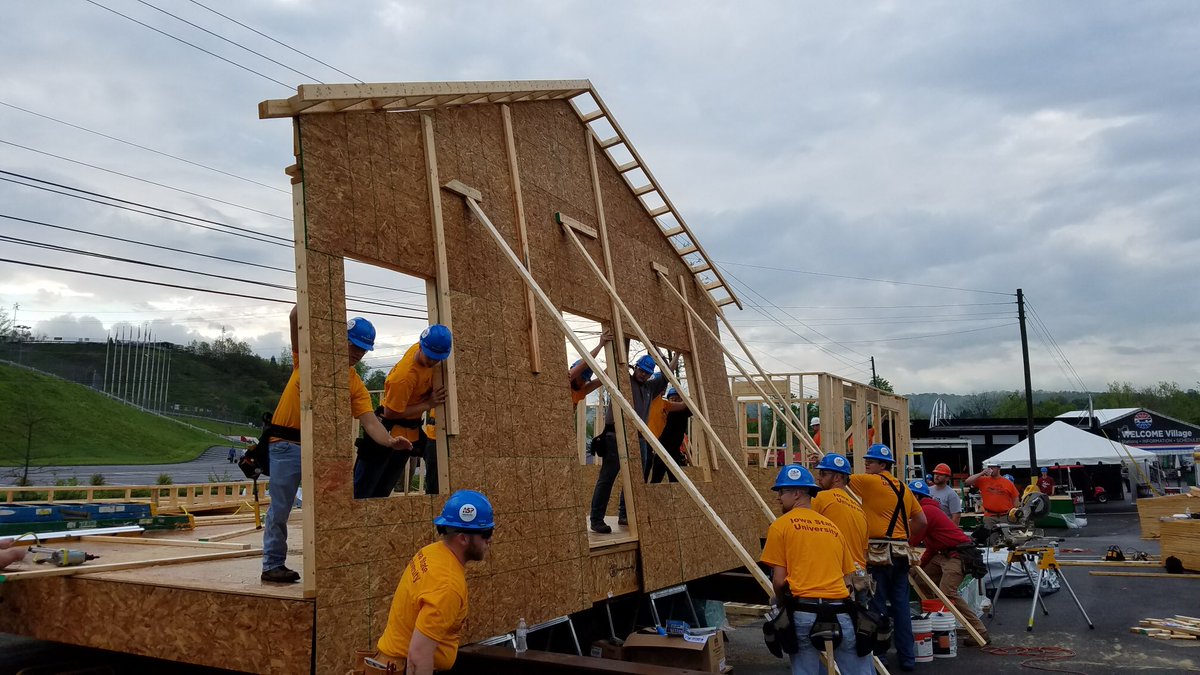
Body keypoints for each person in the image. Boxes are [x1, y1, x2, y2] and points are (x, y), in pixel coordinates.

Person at [262, 308, 411, 583]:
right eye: (354, 346)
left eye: (363, 350)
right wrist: (311, 297)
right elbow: (297, 318)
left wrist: (390, 441)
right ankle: (272, 565)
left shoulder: (354, 384)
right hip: (286, 443)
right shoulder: (309, 358)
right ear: (340, 339)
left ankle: (327, 566)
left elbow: (370, 421)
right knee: (281, 508)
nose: (358, 354)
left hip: (320, 449)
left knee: (329, 509)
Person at [761, 464, 871, 675]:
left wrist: (781, 604)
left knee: (806, 671)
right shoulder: (833, 528)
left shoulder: (780, 526)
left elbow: (778, 581)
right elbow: (848, 578)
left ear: (796, 494)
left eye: (781, 492)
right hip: (841, 613)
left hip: (803, 611)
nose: (778, 498)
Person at [370, 490, 494, 674]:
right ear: (463, 538)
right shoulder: (448, 586)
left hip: (391, 662)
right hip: (405, 668)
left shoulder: (431, 552)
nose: (490, 539)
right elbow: (418, 656)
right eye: (486, 533)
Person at [848, 444, 927, 672]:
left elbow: (838, 479)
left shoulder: (869, 481)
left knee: (877, 605)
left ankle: (880, 656)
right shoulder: (904, 487)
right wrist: (905, 539)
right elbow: (922, 521)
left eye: (870, 462)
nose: (866, 465)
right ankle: (907, 658)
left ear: (883, 465)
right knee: (902, 606)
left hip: (878, 552)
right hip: (901, 552)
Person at [356, 325, 452, 499]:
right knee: (364, 491)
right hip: (386, 433)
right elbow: (390, 413)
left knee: (383, 492)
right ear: (421, 346)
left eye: (437, 359)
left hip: (408, 437)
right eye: (430, 357)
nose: (432, 362)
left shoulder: (430, 348)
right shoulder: (404, 376)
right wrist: (428, 403)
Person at [589, 351, 678, 533]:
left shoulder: (649, 388)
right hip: (616, 436)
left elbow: (668, 373)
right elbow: (614, 365)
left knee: (635, 480)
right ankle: (596, 519)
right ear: (635, 367)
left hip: (638, 439)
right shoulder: (624, 381)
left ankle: (625, 514)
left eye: (647, 373)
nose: (643, 375)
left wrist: (674, 356)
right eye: (641, 371)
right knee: (607, 478)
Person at [907, 479, 989, 646]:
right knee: (919, 579)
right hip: (944, 554)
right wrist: (916, 568)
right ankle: (936, 620)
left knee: (947, 592)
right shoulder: (927, 511)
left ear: (915, 496)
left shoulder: (926, 511)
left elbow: (913, 539)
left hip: (958, 554)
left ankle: (979, 631)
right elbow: (930, 548)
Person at [812, 453, 868, 569]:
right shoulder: (859, 509)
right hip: (858, 576)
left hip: (836, 571)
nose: (819, 477)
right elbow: (864, 552)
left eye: (823, 474)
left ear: (837, 477)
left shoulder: (821, 498)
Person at [646, 387, 692, 483]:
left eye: (678, 399)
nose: (675, 401)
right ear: (669, 400)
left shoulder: (683, 412)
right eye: (672, 399)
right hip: (662, 450)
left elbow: (692, 406)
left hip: (674, 452)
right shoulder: (665, 411)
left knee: (675, 481)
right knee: (656, 480)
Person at [965, 460, 1020, 530]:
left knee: (1006, 538)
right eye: (989, 467)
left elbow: (1015, 498)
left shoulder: (1008, 483)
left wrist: (1014, 512)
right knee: (990, 538)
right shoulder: (983, 480)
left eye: (993, 467)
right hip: (989, 517)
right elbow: (967, 482)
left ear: (998, 468)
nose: (990, 469)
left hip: (1005, 516)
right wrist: (982, 473)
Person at [569, 329, 610, 407]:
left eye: (585, 380)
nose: (583, 382)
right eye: (581, 378)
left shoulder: (581, 390)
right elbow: (584, 364)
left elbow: (602, 379)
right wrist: (600, 345)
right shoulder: (566, 379)